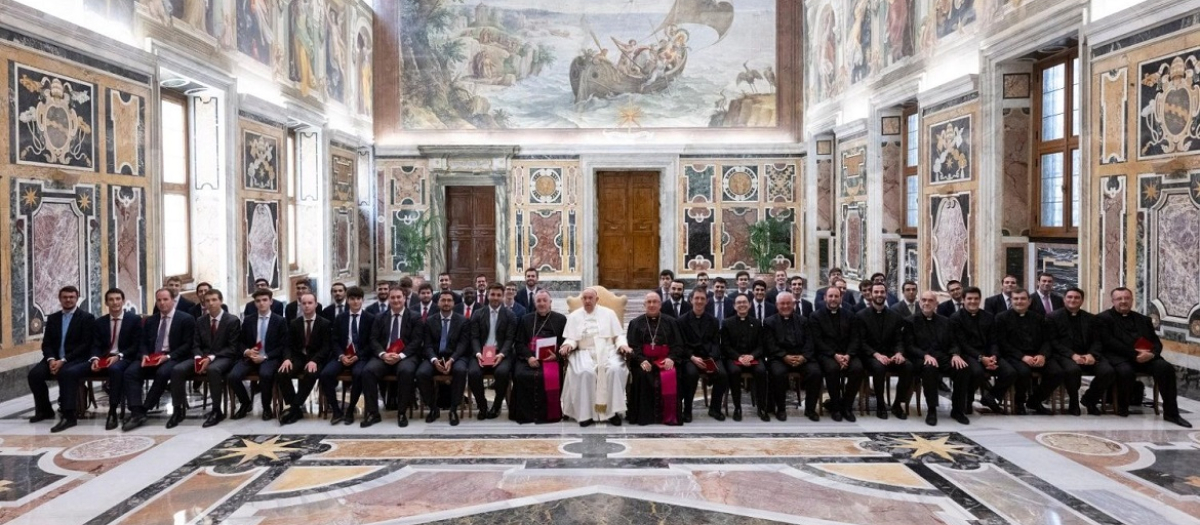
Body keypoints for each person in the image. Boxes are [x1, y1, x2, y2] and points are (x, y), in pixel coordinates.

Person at [1095, 287, 1190, 427]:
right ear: (1113, 301)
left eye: (1126, 298)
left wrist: (1152, 354)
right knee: (1125, 371)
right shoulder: (1103, 319)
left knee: (1165, 368)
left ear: (1132, 300)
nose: (1123, 301)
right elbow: (1110, 343)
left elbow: (1156, 342)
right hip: (1120, 357)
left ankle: (1171, 413)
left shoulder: (1143, 319)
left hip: (1146, 357)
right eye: (1119, 299)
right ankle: (1122, 407)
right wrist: (1135, 355)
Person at [122, 288, 198, 431]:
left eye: (165, 299)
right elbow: (142, 342)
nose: (162, 303)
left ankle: (144, 409)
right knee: (130, 372)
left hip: (173, 356)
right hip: (151, 356)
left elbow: (188, 345)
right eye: (159, 300)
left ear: (173, 301)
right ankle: (136, 410)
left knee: (163, 373)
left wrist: (167, 357)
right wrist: (144, 355)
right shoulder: (151, 320)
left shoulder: (186, 319)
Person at [28, 286, 96, 432]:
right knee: (34, 375)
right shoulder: (53, 318)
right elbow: (47, 343)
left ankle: (69, 416)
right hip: (53, 359)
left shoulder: (86, 318)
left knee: (66, 374)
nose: (68, 300)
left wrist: (64, 360)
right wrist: (51, 359)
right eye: (65, 297)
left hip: (75, 359)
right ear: (60, 299)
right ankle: (44, 409)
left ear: (77, 298)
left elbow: (85, 345)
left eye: (71, 297)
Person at [560, 287, 630, 426]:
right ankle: (585, 414)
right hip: (583, 352)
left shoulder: (609, 313)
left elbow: (618, 336)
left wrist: (622, 345)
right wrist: (567, 345)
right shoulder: (574, 316)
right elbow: (572, 338)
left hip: (608, 351)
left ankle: (612, 412)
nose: (587, 301)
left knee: (615, 370)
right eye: (584, 298)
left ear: (596, 299)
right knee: (585, 372)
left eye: (590, 298)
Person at [1047, 287, 1114, 416]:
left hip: (1088, 354)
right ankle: (1073, 402)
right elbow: (1053, 342)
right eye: (1070, 297)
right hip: (1064, 356)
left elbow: (1097, 341)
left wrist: (1091, 354)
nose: (1073, 300)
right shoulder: (1053, 317)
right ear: (1064, 299)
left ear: (1082, 300)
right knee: (1073, 370)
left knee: (1108, 371)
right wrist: (1073, 355)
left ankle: (1090, 400)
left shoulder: (1091, 318)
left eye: (1077, 297)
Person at [994, 288, 1061, 415]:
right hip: (1014, 356)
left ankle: (1035, 401)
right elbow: (1002, 343)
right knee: (1024, 371)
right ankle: (1019, 402)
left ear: (1029, 301)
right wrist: (1022, 357)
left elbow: (1047, 340)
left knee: (1056, 372)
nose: (1019, 301)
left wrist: (1042, 355)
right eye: (1016, 299)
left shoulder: (1038, 318)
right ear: (1011, 301)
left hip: (1037, 355)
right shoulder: (1001, 318)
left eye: (1023, 299)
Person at [361, 286, 421, 427]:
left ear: (404, 299)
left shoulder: (414, 317)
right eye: (392, 297)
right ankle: (373, 413)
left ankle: (401, 413)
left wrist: (400, 355)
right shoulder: (380, 317)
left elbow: (416, 341)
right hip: (384, 356)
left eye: (399, 297)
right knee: (368, 371)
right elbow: (373, 339)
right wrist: (383, 354)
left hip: (406, 356)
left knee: (406, 371)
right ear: (388, 299)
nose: (396, 300)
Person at [909, 291, 971, 426]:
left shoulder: (945, 322)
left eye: (930, 300)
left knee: (962, 368)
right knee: (929, 368)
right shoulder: (911, 321)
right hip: (922, 358)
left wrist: (955, 355)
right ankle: (932, 409)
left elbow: (954, 342)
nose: (926, 303)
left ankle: (958, 410)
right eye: (923, 300)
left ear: (936, 304)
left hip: (942, 357)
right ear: (920, 303)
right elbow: (910, 346)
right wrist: (925, 355)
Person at [228, 288, 289, 422]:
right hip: (250, 357)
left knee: (266, 374)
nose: (261, 303)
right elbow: (241, 342)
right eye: (258, 301)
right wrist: (247, 352)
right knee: (233, 376)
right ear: (254, 303)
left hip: (269, 357)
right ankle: (245, 402)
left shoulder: (279, 321)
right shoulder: (249, 320)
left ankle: (266, 407)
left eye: (264, 300)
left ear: (271, 301)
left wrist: (265, 356)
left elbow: (283, 345)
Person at [950, 286, 1012, 414]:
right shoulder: (956, 318)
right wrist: (981, 358)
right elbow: (962, 344)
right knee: (977, 372)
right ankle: (968, 399)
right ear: (963, 300)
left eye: (976, 298)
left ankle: (990, 396)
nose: (973, 301)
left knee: (1010, 372)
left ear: (980, 300)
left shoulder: (988, 317)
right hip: (968, 354)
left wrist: (994, 356)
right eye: (970, 299)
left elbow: (994, 340)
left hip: (988, 355)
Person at [627, 293, 685, 426]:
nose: (652, 305)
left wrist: (671, 358)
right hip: (644, 361)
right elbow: (632, 346)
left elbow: (678, 344)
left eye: (655, 302)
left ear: (660, 304)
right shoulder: (635, 323)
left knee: (671, 374)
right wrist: (641, 360)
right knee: (643, 374)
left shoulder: (671, 322)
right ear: (644, 305)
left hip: (665, 361)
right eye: (649, 302)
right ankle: (645, 417)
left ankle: (668, 416)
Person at [855, 282, 912, 420]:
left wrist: (899, 353)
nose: (879, 295)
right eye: (876, 292)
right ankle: (881, 405)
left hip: (891, 355)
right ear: (871, 294)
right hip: (870, 356)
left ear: (886, 294)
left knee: (908, 366)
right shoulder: (861, 316)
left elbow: (899, 339)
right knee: (879, 368)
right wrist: (876, 355)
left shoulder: (895, 316)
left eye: (882, 292)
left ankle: (897, 404)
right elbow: (860, 342)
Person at [510, 290, 567, 424]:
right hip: (528, 358)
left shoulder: (560, 319)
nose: (541, 304)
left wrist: (557, 354)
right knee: (520, 375)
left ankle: (549, 414)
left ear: (550, 302)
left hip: (551, 359)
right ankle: (524, 414)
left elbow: (566, 342)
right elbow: (519, 343)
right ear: (534, 303)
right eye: (538, 301)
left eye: (544, 300)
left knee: (549, 376)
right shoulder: (526, 319)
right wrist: (529, 357)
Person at [763, 292, 822, 421]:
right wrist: (784, 356)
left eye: (788, 303)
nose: (785, 306)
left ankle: (810, 409)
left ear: (794, 304)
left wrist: (803, 357)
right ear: (777, 305)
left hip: (802, 357)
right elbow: (770, 344)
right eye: (782, 304)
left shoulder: (803, 321)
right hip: (780, 358)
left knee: (816, 372)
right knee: (778, 373)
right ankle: (781, 409)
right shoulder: (769, 322)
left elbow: (810, 342)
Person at [321, 286, 375, 425]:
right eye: (352, 299)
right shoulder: (341, 318)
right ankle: (336, 410)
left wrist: (358, 355)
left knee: (358, 374)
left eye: (358, 299)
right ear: (348, 300)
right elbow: (334, 340)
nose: (355, 302)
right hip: (343, 355)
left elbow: (371, 343)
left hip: (360, 356)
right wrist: (341, 356)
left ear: (362, 300)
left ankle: (350, 409)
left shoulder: (370, 318)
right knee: (326, 374)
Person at [278, 293, 333, 425]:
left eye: (310, 303)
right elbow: (288, 345)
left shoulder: (324, 323)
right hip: (299, 356)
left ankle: (295, 408)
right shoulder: (294, 323)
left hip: (316, 358)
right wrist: (287, 359)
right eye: (304, 303)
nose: (307, 306)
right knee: (281, 373)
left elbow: (326, 347)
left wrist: (314, 360)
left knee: (311, 373)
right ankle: (295, 407)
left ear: (316, 304)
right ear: (301, 305)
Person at [91, 288, 142, 430]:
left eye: (118, 299)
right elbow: (95, 344)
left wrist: (119, 356)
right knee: (76, 370)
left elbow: (136, 345)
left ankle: (112, 411)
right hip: (104, 358)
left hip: (125, 357)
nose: (115, 303)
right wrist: (95, 358)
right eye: (111, 300)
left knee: (115, 369)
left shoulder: (134, 320)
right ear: (106, 302)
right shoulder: (100, 322)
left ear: (123, 301)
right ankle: (69, 411)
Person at [418, 291, 470, 425]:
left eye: (449, 300)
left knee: (460, 371)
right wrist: (434, 360)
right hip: (435, 357)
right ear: (438, 303)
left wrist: (452, 360)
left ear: (454, 303)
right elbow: (427, 345)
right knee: (421, 373)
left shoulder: (462, 321)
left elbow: (463, 344)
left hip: (456, 357)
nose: (446, 303)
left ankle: (453, 409)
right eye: (443, 300)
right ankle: (433, 408)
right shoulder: (429, 321)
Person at [811, 286, 861, 422]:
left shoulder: (850, 315)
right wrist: (835, 355)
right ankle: (836, 407)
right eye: (830, 296)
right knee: (832, 369)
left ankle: (847, 406)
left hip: (847, 354)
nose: (833, 299)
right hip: (827, 354)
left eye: (836, 296)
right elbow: (817, 340)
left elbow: (855, 338)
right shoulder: (816, 316)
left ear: (841, 298)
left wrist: (848, 355)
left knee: (857, 368)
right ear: (825, 298)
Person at [467, 284, 518, 419]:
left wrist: (501, 355)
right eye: (493, 294)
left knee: (502, 373)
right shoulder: (478, 314)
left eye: (498, 295)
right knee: (473, 373)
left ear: (502, 296)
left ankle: (496, 406)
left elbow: (510, 338)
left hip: (501, 352)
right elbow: (474, 337)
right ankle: (482, 406)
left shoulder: (510, 315)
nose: (495, 298)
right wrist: (478, 353)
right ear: (488, 295)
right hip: (480, 352)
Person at [676, 287, 726, 421]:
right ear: (691, 300)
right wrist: (692, 357)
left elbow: (716, 343)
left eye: (702, 299)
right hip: (690, 358)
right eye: (696, 298)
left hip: (709, 356)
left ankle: (715, 409)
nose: (699, 301)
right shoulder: (681, 321)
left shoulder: (713, 321)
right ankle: (687, 410)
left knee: (722, 373)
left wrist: (711, 359)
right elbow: (681, 344)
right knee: (691, 374)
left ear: (707, 301)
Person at [194, 288, 242, 428]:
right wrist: (198, 358)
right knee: (178, 369)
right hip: (203, 356)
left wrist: (211, 357)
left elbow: (232, 348)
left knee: (213, 370)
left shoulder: (232, 320)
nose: (211, 303)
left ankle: (216, 410)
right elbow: (195, 343)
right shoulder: (200, 321)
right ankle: (178, 410)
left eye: (214, 300)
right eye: (207, 301)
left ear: (220, 301)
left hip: (224, 356)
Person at [720, 294, 768, 421]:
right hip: (734, 358)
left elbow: (761, 345)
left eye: (744, 302)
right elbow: (725, 346)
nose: (742, 305)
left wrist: (751, 356)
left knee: (761, 371)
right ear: (735, 306)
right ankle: (737, 407)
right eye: (739, 303)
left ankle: (761, 407)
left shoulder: (757, 323)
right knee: (734, 371)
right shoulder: (727, 323)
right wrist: (739, 357)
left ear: (750, 305)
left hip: (753, 357)